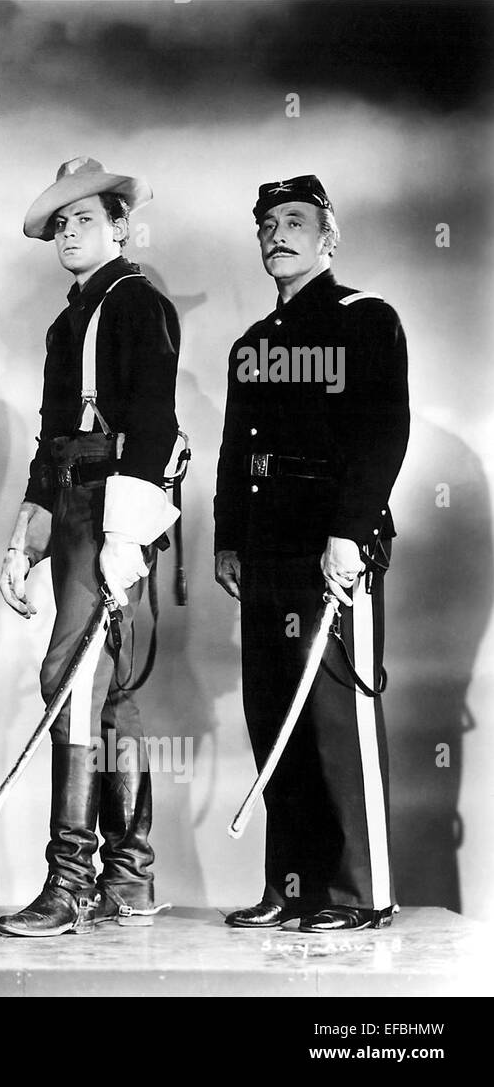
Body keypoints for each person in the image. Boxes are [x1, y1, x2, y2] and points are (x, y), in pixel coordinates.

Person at [214, 175, 408, 932]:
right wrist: (230, 539)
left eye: (295, 221)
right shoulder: (253, 345)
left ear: (330, 237)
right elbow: (237, 451)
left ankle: (360, 892)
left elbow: (383, 434)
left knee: (334, 718)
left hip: (330, 543)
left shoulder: (366, 320)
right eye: (266, 223)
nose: (277, 234)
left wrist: (349, 532)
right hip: (267, 549)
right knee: (276, 719)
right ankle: (293, 885)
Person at [0, 157, 180, 936]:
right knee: (108, 698)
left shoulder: (140, 303)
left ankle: (69, 882)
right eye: (61, 223)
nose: (70, 233)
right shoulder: (65, 323)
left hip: (115, 507)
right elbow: (51, 439)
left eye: (86, 220)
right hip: (71, 504)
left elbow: (156, 424)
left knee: (71, 680)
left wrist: (123, 537)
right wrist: (24, 533)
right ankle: (129, 879)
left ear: (121, 228)